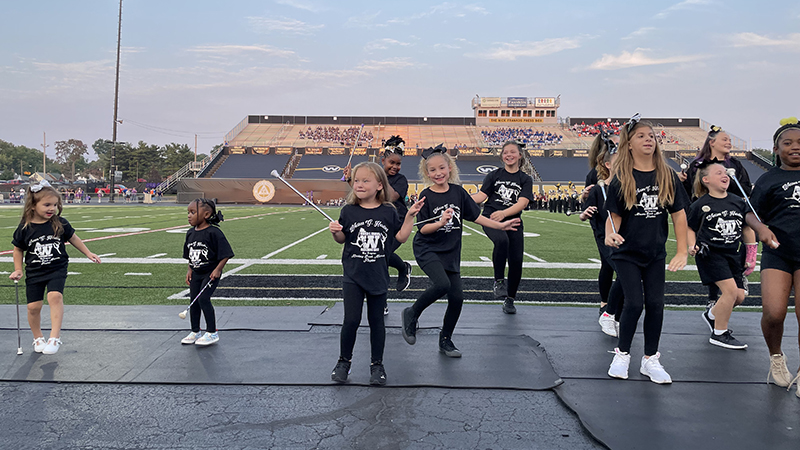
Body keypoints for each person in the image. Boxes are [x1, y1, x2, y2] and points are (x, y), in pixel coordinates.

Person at [401, 145, 520, 357]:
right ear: (426, 173)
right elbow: (423, 229)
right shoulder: (425, 195)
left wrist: (501, 226)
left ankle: (445, 340)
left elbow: (477, 217)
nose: (438, 173)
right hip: (427, 249)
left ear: (450, 168)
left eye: (442, 168)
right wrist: (440, 222)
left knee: (457, 298)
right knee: (442, 284)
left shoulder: (458, 192)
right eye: (432, 170)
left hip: (450, 251)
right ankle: (412, 313)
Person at [605, 115, 689, 384]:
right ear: (628, 144)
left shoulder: (667, 176)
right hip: (627, 253)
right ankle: (623, 354)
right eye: (641, 136)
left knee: (655, 304)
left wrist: (682, 251)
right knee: (634, 303)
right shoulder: (622, 178)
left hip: (654, 252)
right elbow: (614, 218)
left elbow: (679, 215)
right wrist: (610, 235)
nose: (648, 140)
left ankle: (650, 359)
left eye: (651, 136)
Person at [329, 162, 423, 385]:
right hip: (353, 275)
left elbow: (400, 237)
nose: (359, 184)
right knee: (350, 320)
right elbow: (343, 239)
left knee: (376, 322)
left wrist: (409, 216)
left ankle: (377, 365)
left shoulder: (388, 211)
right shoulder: (348, 211)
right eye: (357, 180)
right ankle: (344, 362)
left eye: (365, 180)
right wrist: (336, 233)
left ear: (379, 185)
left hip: (378, 275)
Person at [9, 180, 101, 354]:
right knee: (33, 308)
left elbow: (73, 238)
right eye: (47, 205)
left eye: (55, 205)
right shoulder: (25, 227)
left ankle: (54, 337)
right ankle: (38, 338)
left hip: (56, 268)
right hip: (34, 271)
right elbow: (17, 249)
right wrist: (18, 269)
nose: (52, 208)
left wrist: (88, 253)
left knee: (55, 296)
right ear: (33, 206)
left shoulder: (60, 223)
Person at [746, 117, 800, 396]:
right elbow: (750, 215)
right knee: (774, 313)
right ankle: (776, 358)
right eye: (787, 143)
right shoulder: (769, 179)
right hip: (778, 254)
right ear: (776, 149)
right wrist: (762, 229)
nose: (795, 147)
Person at [679, 126, 757, 307]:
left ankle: (737, 281)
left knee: (733, 250)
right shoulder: (698, 165)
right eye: (724, 139)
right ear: (711, 142)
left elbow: (744, 189)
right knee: (713, 255)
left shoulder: (735, 164)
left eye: (729, 140)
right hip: (708, 217)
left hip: (733, 214)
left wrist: (728, 193)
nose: (729, 142)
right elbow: (692, 192)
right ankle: (713, 298)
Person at [687, 160, 747, 349]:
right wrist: (691, 245)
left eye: (725, 173)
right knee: (729, 291)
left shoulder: (738, 202)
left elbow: (747, 228)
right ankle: (719, 333)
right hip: (710, 253)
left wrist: (751, 251)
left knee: (739, 296)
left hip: (734, 254)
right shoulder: (700, 204)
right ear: (706, 180)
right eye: (718, 173)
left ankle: (712, 314)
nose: (724, 175)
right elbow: (690, 228)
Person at [471, 141, 534, 314]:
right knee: (501, 240)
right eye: (505, 152)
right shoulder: (494, 175)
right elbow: (482, 195)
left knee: (516, 262)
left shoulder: (525, 179)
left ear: (520, 155)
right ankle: (499, 281)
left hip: (513, 221)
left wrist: (504, 214)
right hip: (491, 218)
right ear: (501, 156)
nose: (509, 155)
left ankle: (510, 299)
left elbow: (522, 202)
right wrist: (461, 198)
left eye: (513, 152)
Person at [580, 132, 623, 337]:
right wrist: (585, 203)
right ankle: (608, 306)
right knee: (617, 267)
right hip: (603, 227)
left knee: (612, 266)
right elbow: (588, 202)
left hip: (624, 229)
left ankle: (612, 308)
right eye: (613, 144)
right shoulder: (597, 178)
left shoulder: (628, 174)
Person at [181, 198, 233, 346]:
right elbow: (189, 255)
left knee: (203, 299)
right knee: (194, 301)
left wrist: (218, 269)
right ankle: (195, 331)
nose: (189, 215)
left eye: (193, 212)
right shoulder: (190, 233)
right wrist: (189, 270)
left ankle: (212, 332)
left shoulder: (214, 232)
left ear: (206, 214)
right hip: (196, 273)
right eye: (188, 212)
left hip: (210, 273)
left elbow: (226, 254)